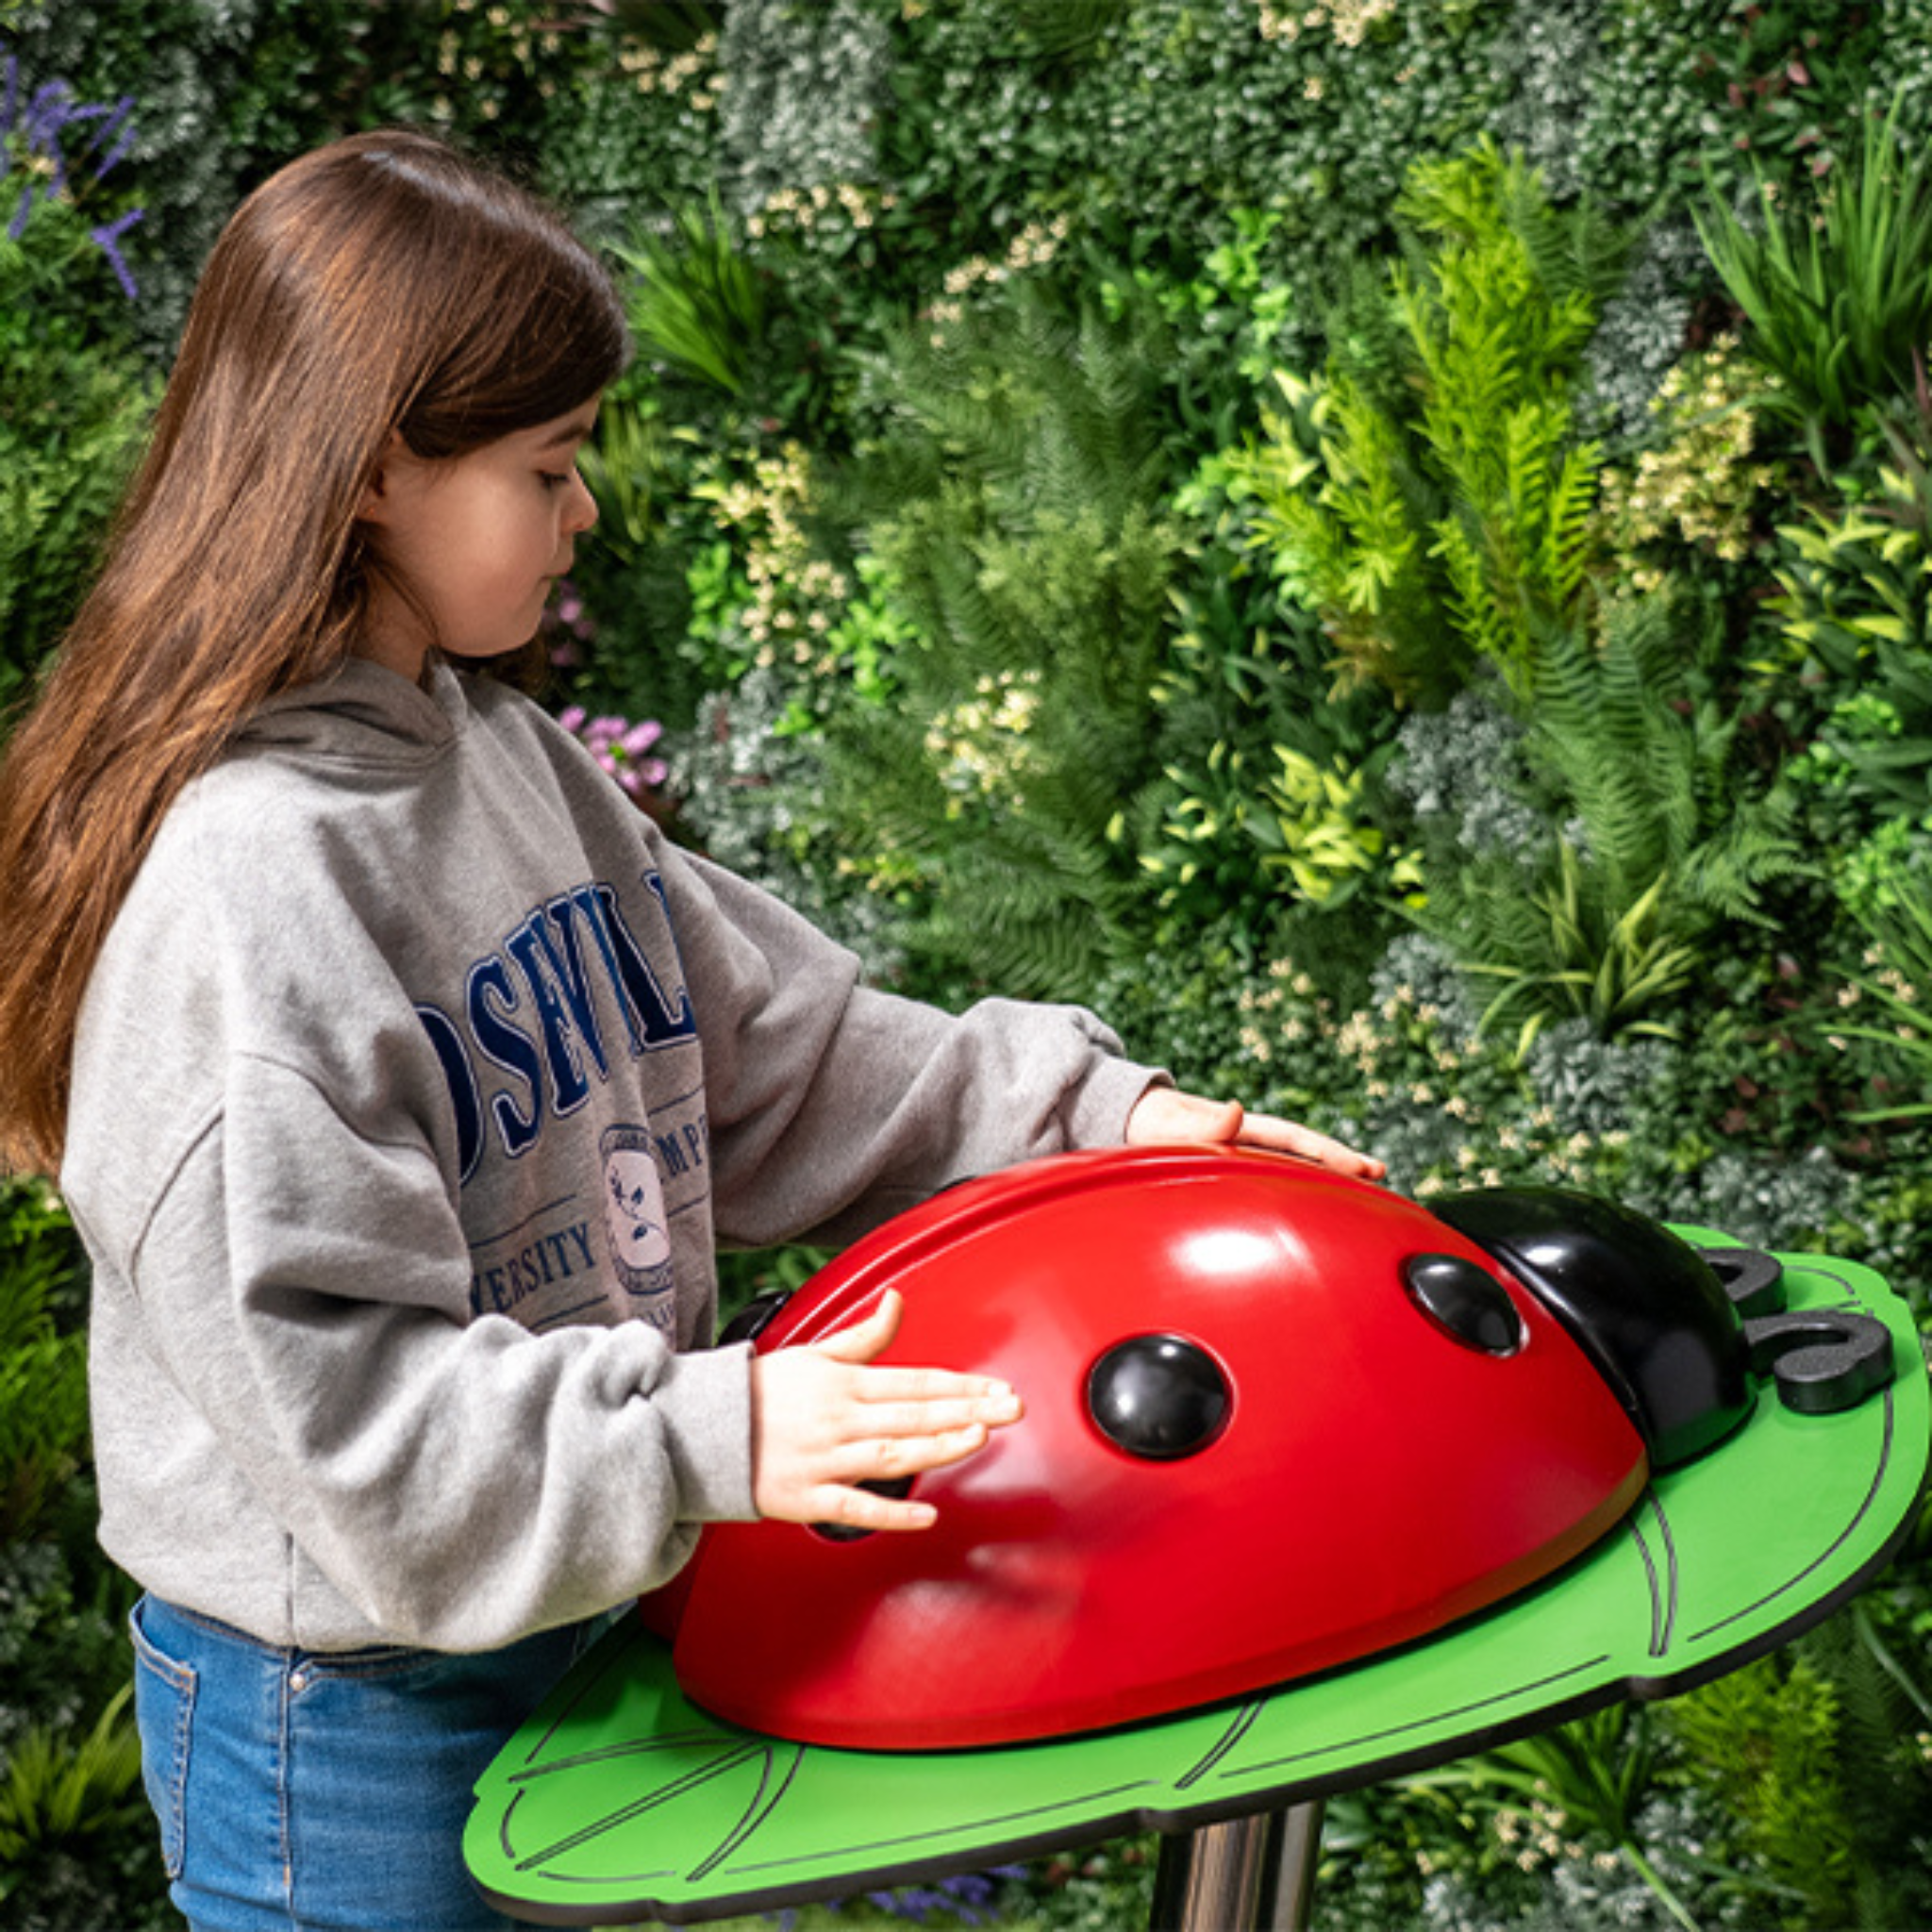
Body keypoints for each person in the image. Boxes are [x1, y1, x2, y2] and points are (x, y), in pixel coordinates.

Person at [0, 130, 1382, 1931]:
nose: (584, 513)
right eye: (547, 466)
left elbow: (778, 1057)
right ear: (375, 470)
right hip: (353, 1716)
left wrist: (1102, 1120)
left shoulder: (505, 761)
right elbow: (353, 1423)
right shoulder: (243, 891)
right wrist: (709, 1439)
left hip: (592, 1598)